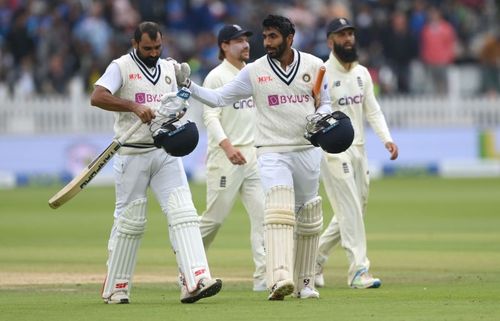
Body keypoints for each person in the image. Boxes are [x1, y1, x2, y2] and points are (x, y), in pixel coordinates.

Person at [175, 14, 343, 301]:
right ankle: (277, 278)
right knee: (278, 207)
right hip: (271, 151)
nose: (266, 43)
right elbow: (218, 99)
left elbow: (324, 101)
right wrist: (189, 87)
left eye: (273, 37)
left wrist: (323, 115)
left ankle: (304, 282)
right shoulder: (254, 71)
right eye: (265, 37)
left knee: (309, 215)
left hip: (306, 149)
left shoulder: (315, 66)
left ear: (289, 38)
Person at [90, 21, 222, 304]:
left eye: (158, 47)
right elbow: (98, 96)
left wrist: (178, 104)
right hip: (132, 153)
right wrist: (134, 106)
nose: (153, 53)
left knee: (183, 213)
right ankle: (116, 287)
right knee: (130, 222)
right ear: (135, 43)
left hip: (164, 151)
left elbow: (180, 104)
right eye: (147, 48)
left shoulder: (169, 69)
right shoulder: (121, 66)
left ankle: (195, 280)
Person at [314, 17, 399, 289]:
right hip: (333, 152)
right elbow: (312, 113)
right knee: (349, 208)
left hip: (359, 150)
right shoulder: (321, 73)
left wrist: (387, 139)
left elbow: (372, 110)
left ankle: (314, 258)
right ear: (330, 42)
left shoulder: (362, 73)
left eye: (350, 33)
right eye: (342, 35)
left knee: (352, 211)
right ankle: (358, 270)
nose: (348, 39)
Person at [198, 24, 267, 292]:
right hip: (225, 157)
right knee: (215, 219)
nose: (245, 45)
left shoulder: (252, 74)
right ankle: (189, 258)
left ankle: (264, 277)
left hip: (253, 155)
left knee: (263, 217)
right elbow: (210, 117)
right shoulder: (216, 77)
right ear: (224, 46)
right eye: (237, 41)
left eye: (246, 40)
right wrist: (228, 147)